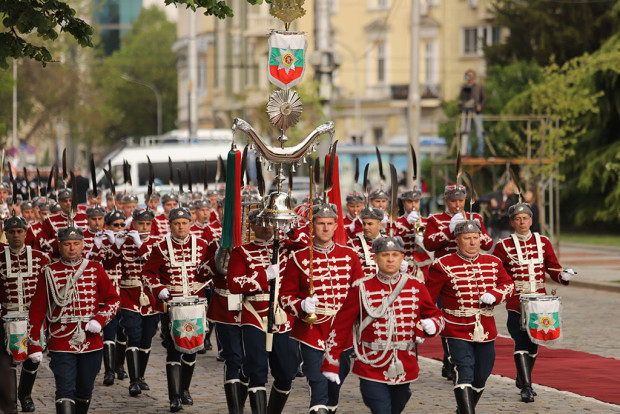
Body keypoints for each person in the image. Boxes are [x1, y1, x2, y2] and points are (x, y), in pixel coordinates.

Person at [321, 236, 444, 414]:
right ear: (376, 258)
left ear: (402, 257)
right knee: (380, 409)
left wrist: (433, 324)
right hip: (371, 363)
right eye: (385, 254)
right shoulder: (361, 287)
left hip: (404, 362)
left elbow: (436, 314)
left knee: (399, 402)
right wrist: (331, 363)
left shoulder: (415, 285)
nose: (391, 259)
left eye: (395, 254)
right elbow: (340, 327)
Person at [280, 203, 364, 414]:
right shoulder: (298, 258)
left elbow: (361, 292)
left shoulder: (350, 256)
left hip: (342, 332)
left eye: (329, 224)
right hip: (311, 330)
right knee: (317, 382)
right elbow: (284, 297)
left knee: (335, 385)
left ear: (336, 226)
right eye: (320, 224)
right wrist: (300, 305)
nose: (325, 228)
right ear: (312, 227)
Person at [27, 225, 120, 414]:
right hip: (61, 338)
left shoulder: (95, 269)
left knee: (85, 388)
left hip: (91, 339)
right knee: (64, 388)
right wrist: (34, 344)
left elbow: (114, 299)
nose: (72, 248)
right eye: (67, 244)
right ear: (60, 246)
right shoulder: (48, 272)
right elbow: (36, 312)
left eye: (76, 244)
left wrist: (100, 319)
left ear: (83, 245)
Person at [426, 219, 514, 414]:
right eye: (467, 238)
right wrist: (428, 321)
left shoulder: (493, 262)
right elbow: (428, 299)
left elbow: (508, 285)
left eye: (475, 238)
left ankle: (462, 410)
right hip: (455, 327)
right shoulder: (442, 265)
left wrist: (496, 295)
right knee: (463, 371)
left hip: (486, 327)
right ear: (457, 240)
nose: (473, 242)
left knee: (481, 375)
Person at [493, 202, 575, 403]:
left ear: (531, 220)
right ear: (512, 222)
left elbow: (553, 268)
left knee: (534, 344)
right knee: (520, 341)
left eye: (526, 218)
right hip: (516, 302)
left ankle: (522, 378)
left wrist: (562, 274)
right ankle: (527, 387)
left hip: (540, 301)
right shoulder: (503, 246)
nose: (522, 222)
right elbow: (494, 272)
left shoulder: (544, 242)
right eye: (518, 219)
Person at [227, 210, 299, 414]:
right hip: (254, 313)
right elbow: (234, 284)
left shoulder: (286, 247)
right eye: (261, 223)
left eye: (271, 222)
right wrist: (263, 276)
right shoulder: (241, 252)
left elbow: (307, 246)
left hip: (282, 314)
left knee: (286, 373)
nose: (267, 226)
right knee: (258, 370)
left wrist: (289, 230)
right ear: (252, 226)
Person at [142, 206, 210, 412]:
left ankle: (185, 389)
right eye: (176, 223)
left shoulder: (202, 245)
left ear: (190, 223)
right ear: (170, 225)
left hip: (196, 305)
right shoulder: (161, 247)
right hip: (172, 305)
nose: (180, 227)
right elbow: (147, 273)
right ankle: (174, 396)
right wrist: (158, 288)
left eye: (184, 223)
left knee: (192, 348)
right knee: (173, 347)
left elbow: (211, 270)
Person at [423, 184, 493, 380]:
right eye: (453, 200)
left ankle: (455, 358)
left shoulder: (475, 217)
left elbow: (487, 243)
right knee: (446, 318)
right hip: (445, 275)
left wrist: (473, 228)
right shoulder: (435, 219)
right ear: (446, 200)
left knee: (469, 318)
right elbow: (429, 243)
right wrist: (448, 230)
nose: (457, 204)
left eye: (460, 200)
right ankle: (451, 358)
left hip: (469, 276)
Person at [102, 208, 161, 398]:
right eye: (140, 224)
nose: (143, 227)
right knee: (133, 334)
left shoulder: (157, 242)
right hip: (129, 293)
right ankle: (134, 381)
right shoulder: (125, 241)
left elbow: (152, 263)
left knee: (147, 337)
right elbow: (108, 264)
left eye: (147, 224)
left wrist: (140, 244)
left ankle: (141, 376)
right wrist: (116, 246)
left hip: (150, 296)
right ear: (133, 224)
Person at [0, 216, 50, 413]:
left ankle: (25, 395)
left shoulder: (40, 258)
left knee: (33, 357)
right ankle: (10, 400)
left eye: (19, 231)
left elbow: (47, 287)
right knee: (8, 357)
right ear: (5, 233)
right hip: (7, 315)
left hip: (33, 315)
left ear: (26, 232)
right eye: (11, 232)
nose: (15, 236)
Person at [394, 188, 432, 280]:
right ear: (403, 202)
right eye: (410, 201)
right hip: (402, 266)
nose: (413, 205)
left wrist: (418, 225)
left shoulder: (427, 222)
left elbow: (426, 242)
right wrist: (407, 223)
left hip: (423, 267)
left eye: (416, 201)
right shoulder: (395, 222)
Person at [478, 181, 518, 250]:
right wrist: (490, 200)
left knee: (505, 246)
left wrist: (505, 213)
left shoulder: (513, 198)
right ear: (505, 187)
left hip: (505, 224)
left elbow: (514, 210)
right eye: (509, 189)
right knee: (491, 245)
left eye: (512, 190)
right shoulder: (495, 194)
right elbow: (481, 199)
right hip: (494, 222)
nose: (510, 191)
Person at [457, 69, 486, 157]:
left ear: (474, 76)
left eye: (470, 75)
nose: (469, 77)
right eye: (467, 75)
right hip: (466, 113)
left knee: (479, 134)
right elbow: (461, 100)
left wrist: (480, 106)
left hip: (476, 113)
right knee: (467, 133)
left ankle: (480, 153)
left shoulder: (479, 87)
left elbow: (484, 98)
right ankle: (467, 153)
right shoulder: (464, 88)